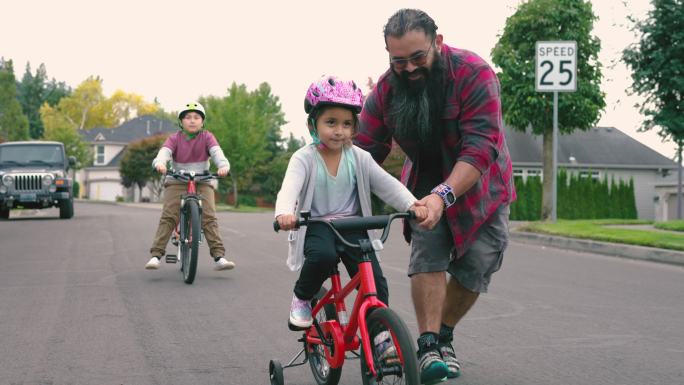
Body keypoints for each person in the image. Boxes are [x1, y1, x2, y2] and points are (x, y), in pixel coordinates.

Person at [354, 9, 516, 384]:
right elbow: (364, 148)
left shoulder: (474, 73)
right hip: (426, 183)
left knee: (477, 266)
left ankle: (444, 335)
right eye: (398, 61)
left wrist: (445, 195)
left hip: (482, 185)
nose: (409, 68)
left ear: (437, 44)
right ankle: (428, 347)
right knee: (428, 255)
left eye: (417, 57)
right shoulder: (386, 91)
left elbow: (480, 146)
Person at [274, 76, 428, 355]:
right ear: (313, 125)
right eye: (330, 122)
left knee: (376, 283)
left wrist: (413, 204)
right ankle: (302, 297)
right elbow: (289, 189)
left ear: (355, 127)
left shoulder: (359, 157)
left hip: (354, 225)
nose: (339, 131)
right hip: (318, 224)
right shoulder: (304, 158)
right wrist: (285, 213)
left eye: (347, 124)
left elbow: (387, 184)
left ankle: (380, 339)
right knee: (322, 257)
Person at [145, 102, 236, 271]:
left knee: (209, 218)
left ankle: (219, 257)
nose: (192, 121)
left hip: (202, 179)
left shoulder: (207, 137)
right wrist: (160, 164)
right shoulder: (174, 138)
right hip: (177, 179)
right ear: (181, 122)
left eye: (196, 117)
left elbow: (217, 153)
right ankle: (156, 255)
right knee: (169, 215)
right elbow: (164, 153)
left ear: (202, 122)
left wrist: (223, 166)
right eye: (187, 117)